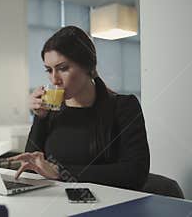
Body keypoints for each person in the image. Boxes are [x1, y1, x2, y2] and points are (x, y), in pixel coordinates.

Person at [8, 26, 150, 190]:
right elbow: (32, 167)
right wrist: (40, 118)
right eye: (49, 70)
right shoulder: (52, 112)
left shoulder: (123, 107)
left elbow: (135, 174)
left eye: (63, 68)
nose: (54, 80)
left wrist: (60, 171)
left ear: (88, 66)